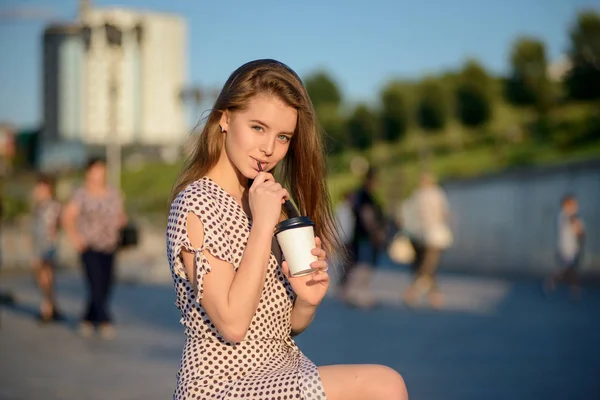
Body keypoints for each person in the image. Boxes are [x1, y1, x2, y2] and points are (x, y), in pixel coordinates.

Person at [166, 59, 407, 400]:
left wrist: (306, 301)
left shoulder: (265, 199)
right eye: (257, 128)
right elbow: (233, 325)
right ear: (225, 118)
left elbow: (281, 327)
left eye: (283, 137)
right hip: (222, 385)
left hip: (281, 369)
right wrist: (263, 227)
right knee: (384, 386)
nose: (269, 148)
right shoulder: (197, 203)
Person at [62, 157, 127, 338]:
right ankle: (105, 320)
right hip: (89, 246)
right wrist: (75, 238)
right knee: (95, 282)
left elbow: (121, 214)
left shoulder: (114, 193)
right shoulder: (80, 194)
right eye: (95, 170)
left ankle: (88, 319)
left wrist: (121, 221)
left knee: (106, 284)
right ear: (88, 172)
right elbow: (68, 217)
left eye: (102, 170)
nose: (99, 175)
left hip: (110, 245)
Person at [402, 172, 452, 309]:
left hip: (419, 236)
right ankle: (416, 293)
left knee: (425, 266)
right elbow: (445, 214)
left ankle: (431, 296)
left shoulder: (417, 195)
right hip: (435, 236)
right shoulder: (438, 194)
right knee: (428, 267)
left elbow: (407, 215)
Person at [337, 168, 385, 306]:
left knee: (358, 264)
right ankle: (359, 295)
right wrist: (375, 232)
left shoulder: (359, 195)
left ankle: (353, 293)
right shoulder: (366, 196)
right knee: (364, 265)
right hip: (364, 236)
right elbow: (367, 216)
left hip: (358, 235)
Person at [31, 174, 63, 323]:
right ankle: (52, 305)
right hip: (39, 245)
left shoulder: (53, 205)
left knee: (46, 278)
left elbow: (57, 224)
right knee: (43, 278)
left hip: (48, 245)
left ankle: (47, 309)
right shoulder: (38, 206)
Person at [544, 194, 585, 298]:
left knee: (571, 271)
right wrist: (579, 227)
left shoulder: (564, 216)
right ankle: (551, 282)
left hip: (571, 249)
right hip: (567, 250)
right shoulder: (567, 216)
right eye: (574, 204)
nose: (576, 207)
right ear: (567, 205)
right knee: (566, 270)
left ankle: (573, 290)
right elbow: (577, 230)